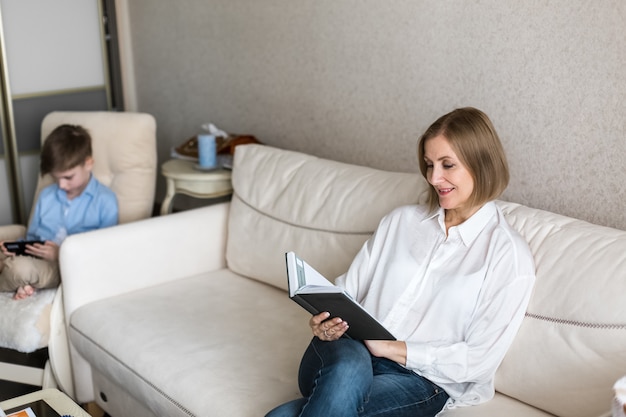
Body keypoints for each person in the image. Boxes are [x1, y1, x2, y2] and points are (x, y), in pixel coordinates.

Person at [265, 107, 536, 417]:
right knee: (350, 366)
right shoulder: (401, 222)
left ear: (482, 164)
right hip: (345, 352)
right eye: (429, 165)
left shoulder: (507, 256)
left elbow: (480, 358)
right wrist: (325, 322)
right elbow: (346, 291)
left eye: (447, 165)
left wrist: (391, 349)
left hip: (420, 381)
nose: (434, 178)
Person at [0, 124, 118, 300]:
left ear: (88, 163)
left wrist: (60, 254)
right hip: (34, 258)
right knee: (12, 260)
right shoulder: (47, 195)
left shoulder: (105, 201)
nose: (62, 185)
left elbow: (104, 253)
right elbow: (32, 237)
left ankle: (17, 277)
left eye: (68, 177)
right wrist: (17, 247)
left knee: (19, 269)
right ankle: (20, 282)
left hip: (67, 266)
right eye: (56, 178)